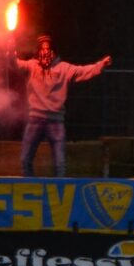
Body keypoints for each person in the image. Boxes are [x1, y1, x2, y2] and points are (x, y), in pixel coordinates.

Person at [17, 35, 111, 176]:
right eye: (42, 49)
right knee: (25, 160)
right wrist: (8, 49)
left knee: (60, 164)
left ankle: (60, 193)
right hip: (35, 119)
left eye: (48, 49)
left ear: (54, 50)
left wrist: (100, 65)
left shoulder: (63, 68)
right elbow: (13, 63)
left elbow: (83, 71)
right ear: (37, 51)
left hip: (55, 121)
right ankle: (29, 187)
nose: (45, 52)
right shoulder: (31, 66)